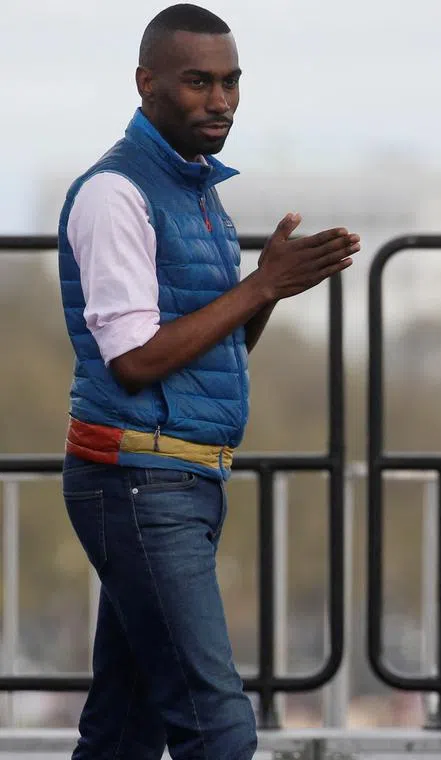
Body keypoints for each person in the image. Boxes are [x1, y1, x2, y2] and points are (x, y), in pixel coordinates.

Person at [56, 4, 358, 758]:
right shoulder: (114, 194)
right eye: (198, 82)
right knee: (218, 729)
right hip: (135, 479)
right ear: (146, 82)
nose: (219, 100)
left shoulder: (197, 192)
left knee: (124, 733)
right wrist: (258, 289)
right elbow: (134, 360)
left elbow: (209, 348)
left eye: (230, 82)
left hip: (178, 477)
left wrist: (269, 288)